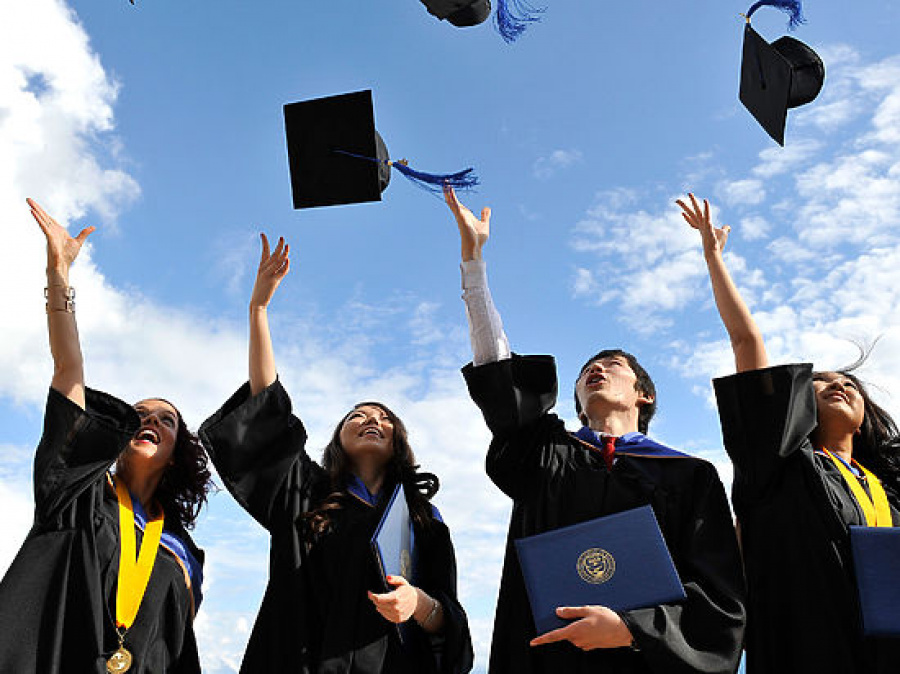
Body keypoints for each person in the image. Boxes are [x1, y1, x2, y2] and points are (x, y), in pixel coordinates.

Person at [443, 186, 746, 674]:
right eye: (587, 370)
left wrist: (633, 628)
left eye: (612, 364)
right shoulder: (547, 453)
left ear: (644, 394)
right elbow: (498, 376)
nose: (596, 371)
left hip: (647, 660)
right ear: (577, 400)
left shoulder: (690, 475)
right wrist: (473, 268)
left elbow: (718, 594)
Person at [198, 234, 474, 674]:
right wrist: (259, 311)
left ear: (399, 441)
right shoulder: (304, 494)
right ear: (336, 441)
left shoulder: (423, 520)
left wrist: (417, 604)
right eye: (357, 416)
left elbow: (448, 620)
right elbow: (267, 408)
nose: (372, 420)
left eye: (385, 418)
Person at [680, 193, 900, 674]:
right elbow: (747, 343)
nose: (838, 384)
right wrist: (713, 257)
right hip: (809, 648)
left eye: (849, 386)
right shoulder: (780, 465)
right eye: (821, 383)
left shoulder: (888, 485)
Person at [0, 199, 212, 674]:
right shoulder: (79, 493)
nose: (150, 420)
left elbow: (174, 645)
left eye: (167, 420)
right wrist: (59, 274)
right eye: (140, 414)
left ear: (177, 454)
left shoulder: (182, 553)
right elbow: (69, 372)